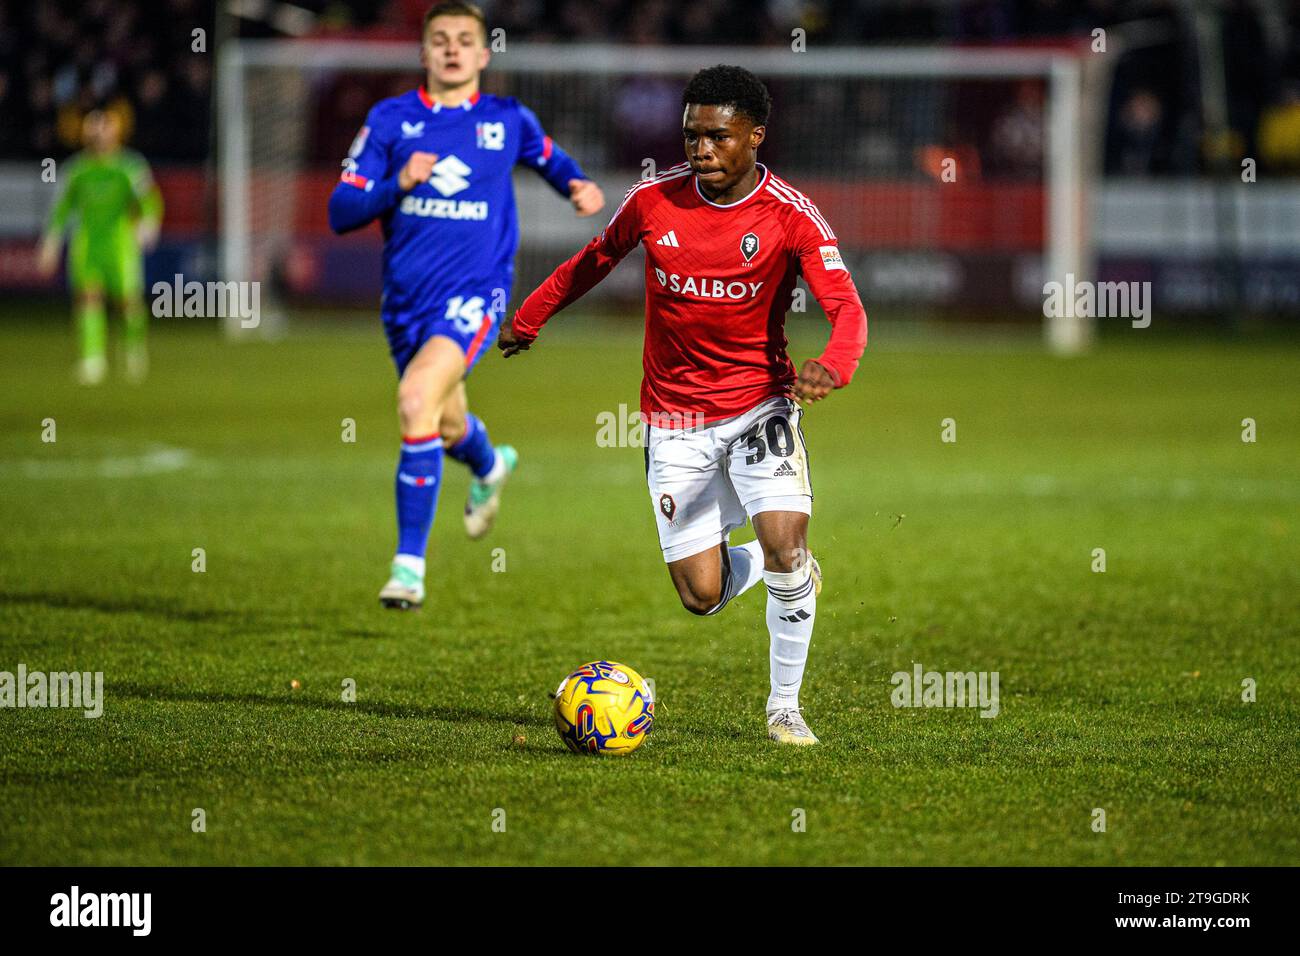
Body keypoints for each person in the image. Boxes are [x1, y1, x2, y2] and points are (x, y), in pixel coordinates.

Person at [499, 65, 867, 745]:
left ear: (755, 136)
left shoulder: (789, 213)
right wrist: (531, 316)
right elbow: (595, 258)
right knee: (702, 595)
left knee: (785, 541)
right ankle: (777, 564)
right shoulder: (653, 200)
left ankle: (784, 707)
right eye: (692, 135)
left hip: (762, 406)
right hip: (675, 421)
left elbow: (846, 307)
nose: (701, 149)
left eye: (718, 137)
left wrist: (833, 365)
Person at [328, 1, 606, 610]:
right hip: (405, 304)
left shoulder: (507, 119)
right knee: (444, 422)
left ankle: (408, 567)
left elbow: (549, 159)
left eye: (464, 40)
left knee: (413, 400)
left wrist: (577, 184)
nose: (452, 49)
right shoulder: (389, 120)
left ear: (483, 54)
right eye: (440, 40)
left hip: (476, 294)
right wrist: (396, 184)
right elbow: (340, 212)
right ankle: (489, 465)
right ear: (424, 53)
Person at [38, 108, 163, 385]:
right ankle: (93, 358)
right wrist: (51, 241)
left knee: (128, 303)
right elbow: (62, 209)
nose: (98, 135)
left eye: (103, 129)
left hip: (120, 243)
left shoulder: (130, 165)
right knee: (88, 299)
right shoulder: (77, 169)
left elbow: (148, 198)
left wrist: (149, 223)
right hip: (87, 243)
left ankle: (133, 349)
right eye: (92, 130)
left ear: (115, 132)